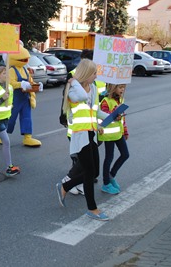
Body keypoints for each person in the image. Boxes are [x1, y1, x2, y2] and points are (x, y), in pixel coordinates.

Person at [55, 59, 109, 221]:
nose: (96, 76)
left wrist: (112, 117)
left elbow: (96, 111)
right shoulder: (73, 89)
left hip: (91, 133)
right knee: (89, 172)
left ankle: (65, 186)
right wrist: (75, 82)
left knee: (94, 172)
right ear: (86, 74)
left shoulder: (92, 88)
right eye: (94, 73)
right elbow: (81, 96)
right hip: (80, 135)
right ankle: (92, 209)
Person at [99, 83, 130, 194]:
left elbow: (122, 120)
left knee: (125, 154)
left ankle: (111, 175)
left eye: (123, 88)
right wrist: (115, 115)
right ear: (113, 88)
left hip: (118, 133)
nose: (122, 90)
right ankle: (106, 184)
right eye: (120, 87)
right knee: (109, 158)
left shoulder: (120, 100)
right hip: (108, 135)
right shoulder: (105, 101)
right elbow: (105, 117)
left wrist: (125, 131)